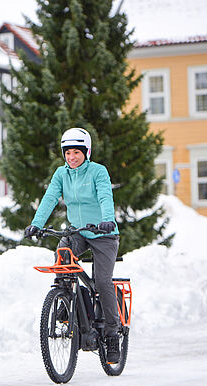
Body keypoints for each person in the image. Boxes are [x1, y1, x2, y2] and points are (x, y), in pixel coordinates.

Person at [24, 127, 121, 363]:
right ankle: (64, 298)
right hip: (77, 231)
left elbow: (105, 196)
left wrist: (108, 219)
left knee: (102, 281)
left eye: (76, 152)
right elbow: (49, 198)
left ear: (86, 152)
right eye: (68, 153)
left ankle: (111, 333)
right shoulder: (61, 174)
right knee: (62, 255)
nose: (72, 157)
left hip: (103, 234)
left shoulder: (98, 171)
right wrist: (36, 224)